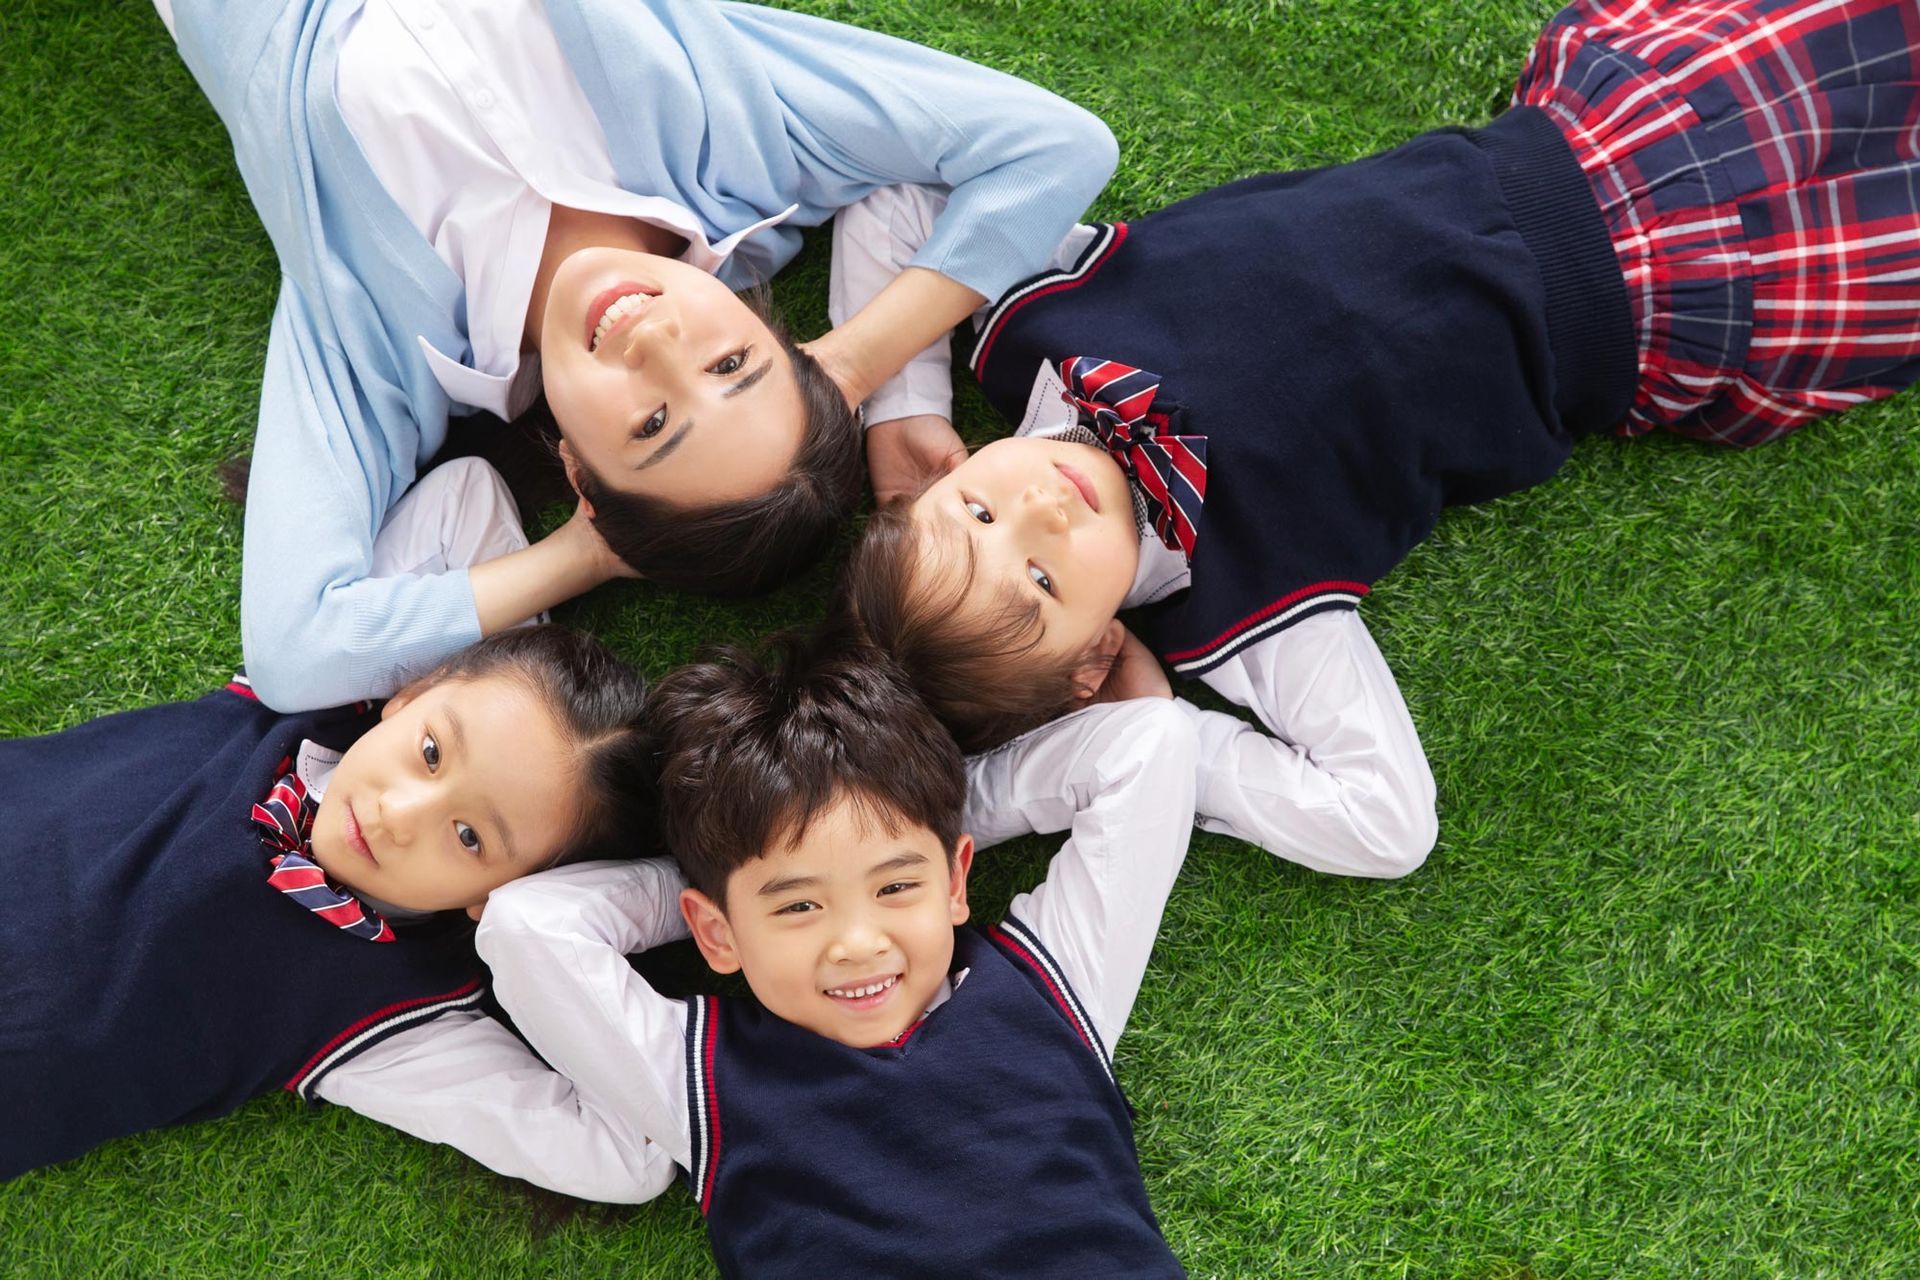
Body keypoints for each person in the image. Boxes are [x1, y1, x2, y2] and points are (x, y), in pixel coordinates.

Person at [835, 0, 1920, 877]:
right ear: (1088, 658)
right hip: (1678, 296)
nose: (1040, 511)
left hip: (1612, 125)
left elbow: (896, 203)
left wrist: (902, 405)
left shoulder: (1031, 330)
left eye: (976, 507)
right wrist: (1162, 728)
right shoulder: (1244, 609)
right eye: (1039, 577)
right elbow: (1386, 823)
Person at [148, 0, 1116, 711]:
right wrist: (865, 369)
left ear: (577, 468)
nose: (654, 343)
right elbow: (1056, 146)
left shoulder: (382, 347)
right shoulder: (740, 140)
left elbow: (294, 649)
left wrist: (584, 555)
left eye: (653, 425)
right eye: (734, 363)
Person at [472, 637, 1198, 1275]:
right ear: (716, 935)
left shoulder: (1052, 989)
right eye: (797, 906)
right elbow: (526, 930)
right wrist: (720, 868)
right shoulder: (700, 1083)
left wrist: (903, 811)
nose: (857, 943)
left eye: (897, 886)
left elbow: (1149, 743)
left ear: (954, 882)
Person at [0, 617, 670, 1183]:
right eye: (432, 751)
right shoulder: (306, 691)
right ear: (411, 694)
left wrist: (587, 906)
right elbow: (463, 497)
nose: (399, 814)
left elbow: (631, 1156)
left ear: (502, 892)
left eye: (468, 838)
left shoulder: (401, 1015)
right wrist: (568, 571)